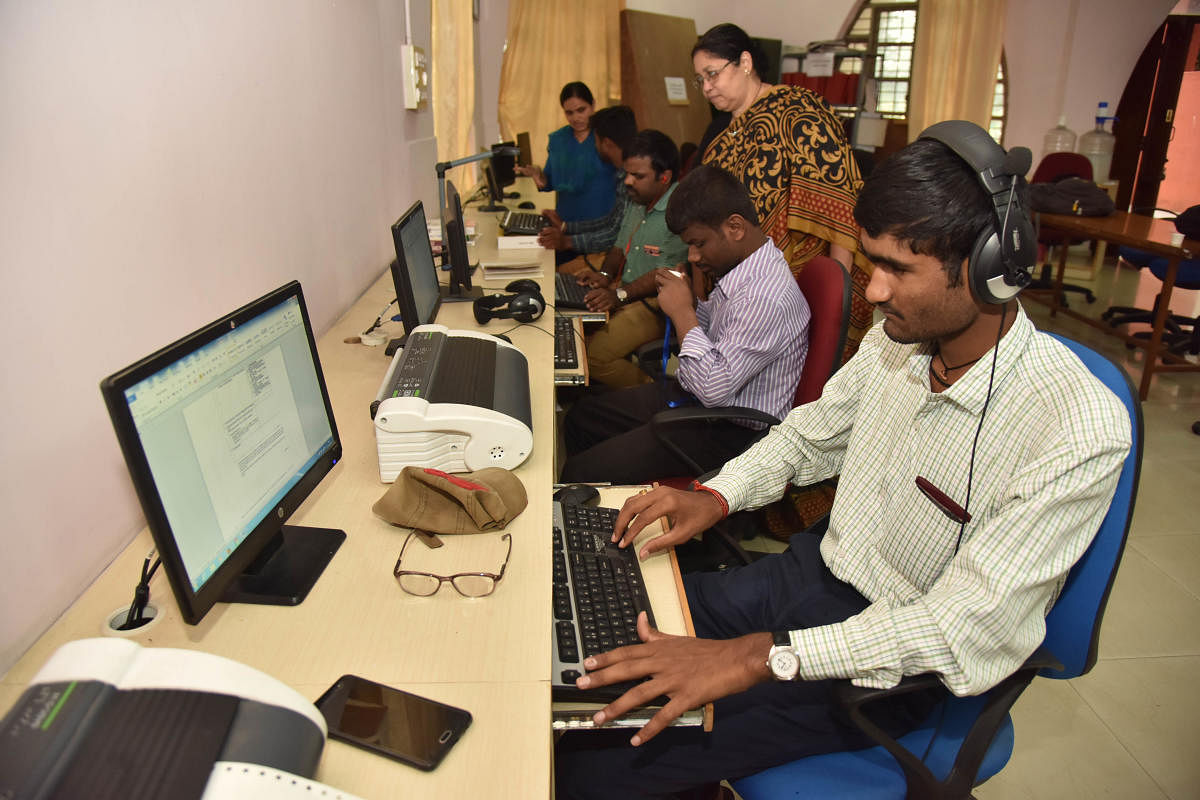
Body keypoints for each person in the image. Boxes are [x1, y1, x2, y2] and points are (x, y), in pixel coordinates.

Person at [554, 124, 1132, 799]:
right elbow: (809, 435)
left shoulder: (1075, 425)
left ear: (990, 268)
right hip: (806, 574)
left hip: (889, 663)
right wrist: (715, 496)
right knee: (585, 654)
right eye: (871, 262)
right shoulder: (898, 343)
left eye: (898, 269)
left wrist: (755, 658)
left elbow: (961, 625)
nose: (876, 292)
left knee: (592, 749)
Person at [560, 164, 809, 484]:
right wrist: (690, 302)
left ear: (735, 227)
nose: (692, 256)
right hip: (701, 399)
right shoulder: (744, 269)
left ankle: (602, 513)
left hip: (728, 429)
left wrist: (682, 312)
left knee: (580, 471)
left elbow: (713, 389)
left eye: (699, 243)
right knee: (581, 418)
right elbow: (716, 336)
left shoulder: (765, 297)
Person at [693, 23, 873, 361]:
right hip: (741, 295)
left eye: (712, 74)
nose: (706, 87)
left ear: (744, 62)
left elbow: (841, 204)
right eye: (699, 80)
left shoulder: (798, 111)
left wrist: (833, 304)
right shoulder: (722, 137)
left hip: (797, 292)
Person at [570, 129, 690, 389]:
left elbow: (665, 273)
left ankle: (654, 394)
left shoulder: (679, 210)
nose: (627, 181)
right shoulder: (638, 201)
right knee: (572, 331)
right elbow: (618, 248)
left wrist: (619, 295)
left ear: (665, 177)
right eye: (627, 173)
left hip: (657, 307)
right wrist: (604, 277)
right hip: (627, 293)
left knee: (593, 357)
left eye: (638, 176)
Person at [516, 82, 617, 265]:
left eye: (581, 110)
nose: (576, 118)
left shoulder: (606, 138)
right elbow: (549, 181)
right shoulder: (558, 139)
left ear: (593, 105)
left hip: (600, 230)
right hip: (564, 227)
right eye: (569, 113)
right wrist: (537, 175)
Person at [537, 105, 638, 270]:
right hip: (610, 256)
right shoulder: (622, 172)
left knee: (552, 275)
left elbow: (615, 235)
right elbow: (611, 221)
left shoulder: (631, 178)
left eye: (595, 140)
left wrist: (567, 241)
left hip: (618, 263)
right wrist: (565, 227)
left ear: (606, 143)